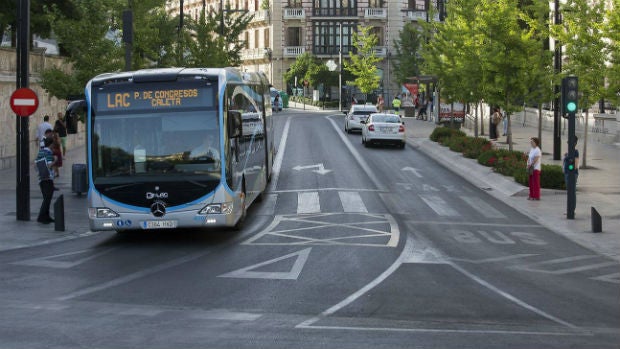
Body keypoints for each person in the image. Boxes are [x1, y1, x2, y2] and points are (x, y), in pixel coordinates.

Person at [35, 137, 57, 224]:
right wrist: (55, 160)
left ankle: (46, 217)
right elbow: (49, 165)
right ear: (51, 144)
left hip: (41, 179)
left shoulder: (41, 151)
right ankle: (41, 217)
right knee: (47, 199)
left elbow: (35, 165)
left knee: (46, 198)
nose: (54, 145)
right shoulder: (48, 153)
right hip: (48, 179)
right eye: (53, 144)